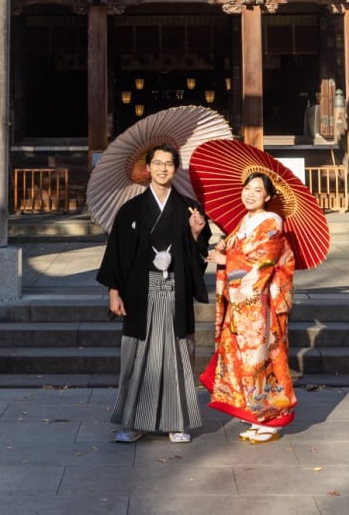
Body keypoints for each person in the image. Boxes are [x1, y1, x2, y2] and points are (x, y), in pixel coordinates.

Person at [96, 142, 209, 444]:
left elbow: (199, 255)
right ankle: (135, 421)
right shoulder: (130, 210)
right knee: (138, 356)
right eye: (157, 163)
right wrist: (114, 291)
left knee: (177, 356)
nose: (162, 168)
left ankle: (177, 421)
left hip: (175, 290)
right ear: (147, 168)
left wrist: (197, 233)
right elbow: (117, 254)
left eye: (169, 163)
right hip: (139, 292)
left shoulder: (188, 208)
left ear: (176, 168)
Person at [201, 171, 296, 443]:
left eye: (257, 190)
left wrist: (226, 258)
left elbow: (261, 263)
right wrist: (225, 246)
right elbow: (239, 251)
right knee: (243, 361)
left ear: (267, 196)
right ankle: (257, 416)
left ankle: (273, 420)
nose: (250, 193)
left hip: (259, 305)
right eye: (246, 188)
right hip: (241, 305)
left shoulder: (272, 222)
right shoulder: (244, 221)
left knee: (262, 360)